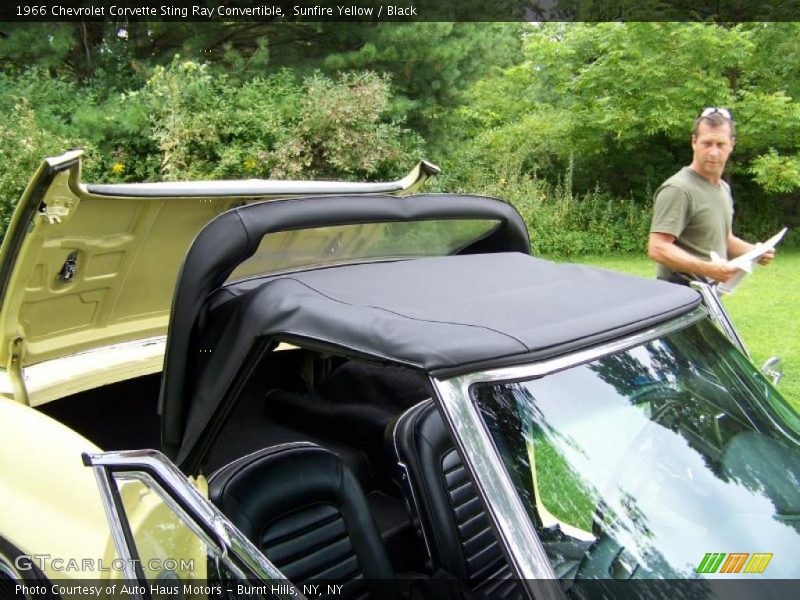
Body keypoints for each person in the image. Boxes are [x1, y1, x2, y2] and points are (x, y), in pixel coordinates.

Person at [648, 107, 774, 284]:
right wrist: (707, 269)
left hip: (710, 293)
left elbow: (725, 240)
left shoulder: (723, 188)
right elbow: (658, 248)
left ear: (731, 144)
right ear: (694, 142)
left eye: (720, 144)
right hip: (681, 295)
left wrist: (754, 252)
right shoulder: (678, 189)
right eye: (707, 143)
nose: (714, 153)